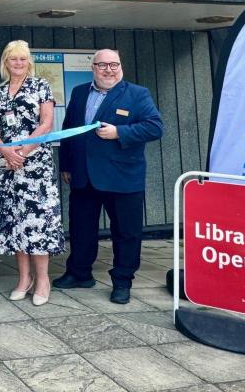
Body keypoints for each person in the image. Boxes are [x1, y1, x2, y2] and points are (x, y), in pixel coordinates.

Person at [53, 48, 163, 304]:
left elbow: (155, 127)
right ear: (93, 68)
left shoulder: (137, 94)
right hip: (83, 176)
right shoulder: (80, 92)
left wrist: (119, 133)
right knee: (81, 229)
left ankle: (122, 281)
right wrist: (66, 165)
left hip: (123, 178)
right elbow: (69, 128)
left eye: (114, 64)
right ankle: (79, 273)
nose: (108, 69)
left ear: (120, 66)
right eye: (102, 65)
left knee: (126, 232)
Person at [0, 40, 63, 307]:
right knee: (15, 222)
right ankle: (24, 278)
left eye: (22, 59)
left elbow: (47, 123)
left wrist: (24, 150)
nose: (18, 63)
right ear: (5, 62)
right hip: (6, 166)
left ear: (29, 61)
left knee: (37, 223)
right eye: (13, 59)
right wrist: (6, 152)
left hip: (35, 167)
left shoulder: (41, 86)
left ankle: (43, 279)